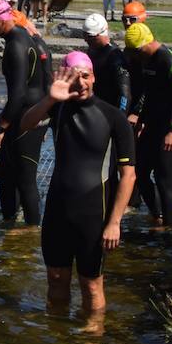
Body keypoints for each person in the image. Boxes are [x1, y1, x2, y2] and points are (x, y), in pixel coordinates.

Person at [20, 52, 136, 313]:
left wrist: (115, 223)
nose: (81, 82)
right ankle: (58, 335)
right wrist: (50, 98)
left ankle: (92, 341)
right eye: (74, 76)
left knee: (92, 285)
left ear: (94, 77)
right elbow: (25, 125)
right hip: (58, 210)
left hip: (94, 214)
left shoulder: (113, 117)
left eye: (86, 76)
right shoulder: (58, 108)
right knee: (56, 279)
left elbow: (129, 175)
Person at [0, 0, 51, 225]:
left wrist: (1, 127)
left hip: (26, 117)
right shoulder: (23, 36)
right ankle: (10, 223)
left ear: (2, 20)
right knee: (4, 174)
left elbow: (18, 94)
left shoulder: (15, 45)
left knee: (25, 179)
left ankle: (31, 230)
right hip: (30, 112)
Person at [124, 24, 172, 227]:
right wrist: (141, 117)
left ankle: (169, 227)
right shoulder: (146, 60)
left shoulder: (167, 59)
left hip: (170, 128)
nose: (135, 56)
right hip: (152, 125)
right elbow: (150, 94)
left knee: (163, 178)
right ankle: (157, 215)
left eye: (136, 51)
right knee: (140, 173)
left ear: (145, 45)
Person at [83, 13, 130, 113]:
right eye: (84, 35)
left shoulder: (115, 57)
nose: (85, 39)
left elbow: (125, 94)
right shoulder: (92, 49)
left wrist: (120, 118)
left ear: (101, 34)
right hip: (94, 109)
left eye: (89, 36)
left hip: (108, 111)